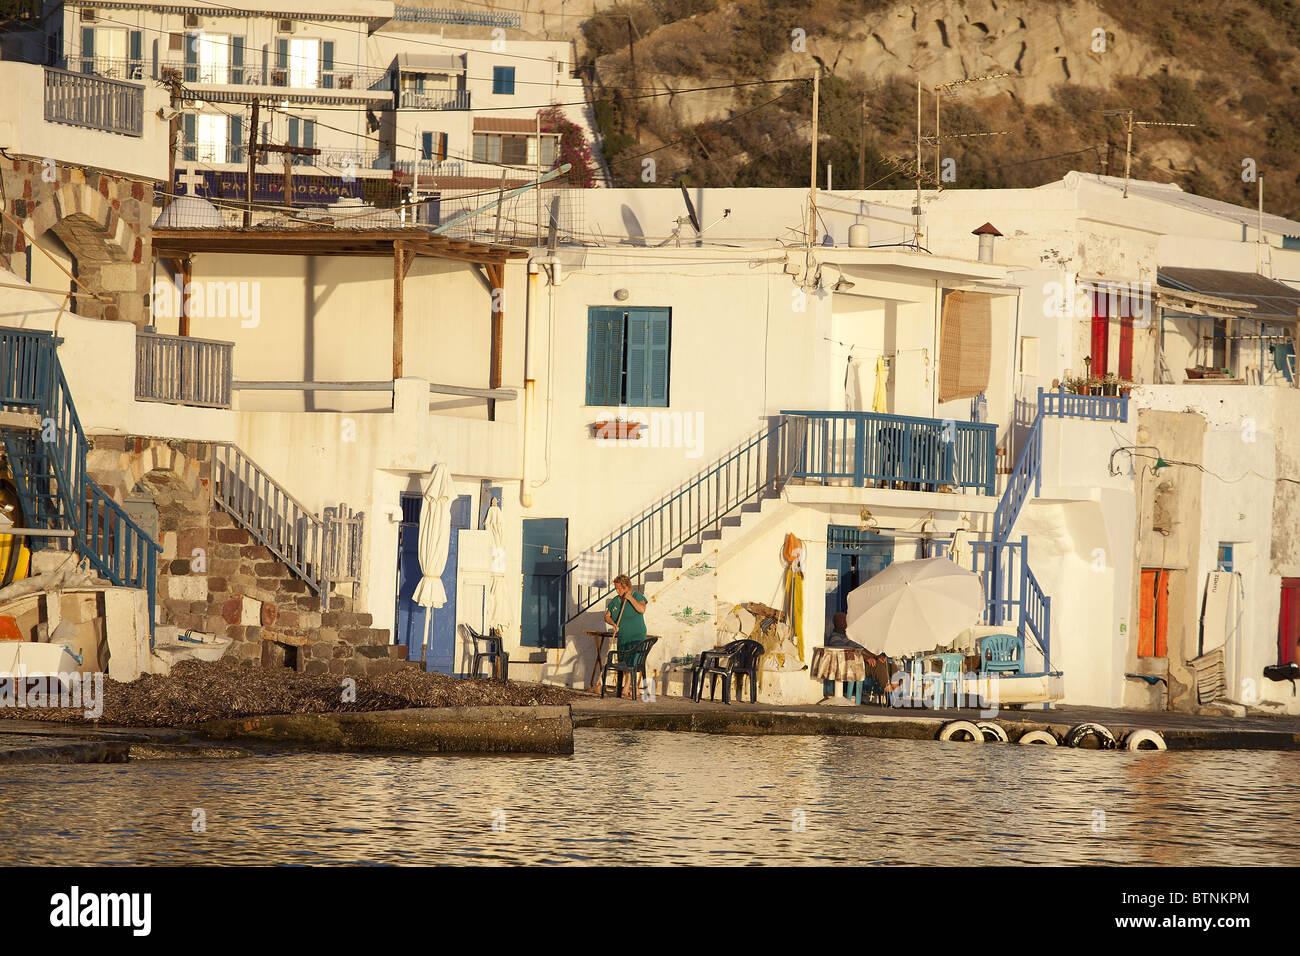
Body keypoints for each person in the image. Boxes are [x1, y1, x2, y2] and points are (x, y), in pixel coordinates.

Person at [605, 574, 648, 699]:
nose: (618, 591)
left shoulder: (637, 596)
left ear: (626, 587)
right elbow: (607, 616)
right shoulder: (616, 600)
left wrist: (630, 598)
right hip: (623, 635)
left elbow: (641, 609)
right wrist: (613, 624)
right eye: (616, 588)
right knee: (624, 662)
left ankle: (626, 686)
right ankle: (635, 689)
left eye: (620, 588)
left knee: (632, 661)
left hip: (637, 635)